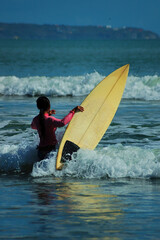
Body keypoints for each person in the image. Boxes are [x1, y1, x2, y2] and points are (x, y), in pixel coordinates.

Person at [31, 96, 84, 160]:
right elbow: (62, 123)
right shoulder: (50, 120)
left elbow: (33, 126)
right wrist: (73, 111)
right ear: (49, 106)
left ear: (38, 107)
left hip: (40, 151)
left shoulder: (35, 119)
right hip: (50, 151)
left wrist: (48, 115)